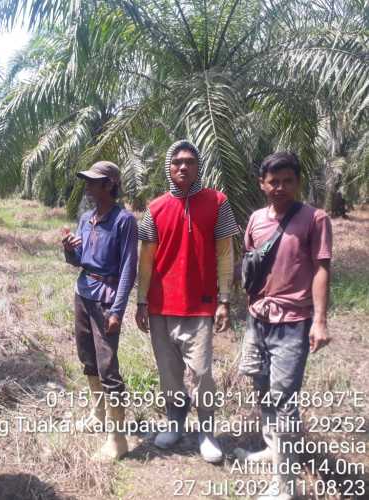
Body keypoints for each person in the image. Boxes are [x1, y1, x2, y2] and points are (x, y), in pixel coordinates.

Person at [234, 152, 332, 500]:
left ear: (297, 182)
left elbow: (321, 269)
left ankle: (286, 484)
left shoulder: (314, 218)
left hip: (294, 323)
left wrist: (319, 321)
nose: (280, 187)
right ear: (262, 184)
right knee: (261, 388)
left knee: (284, 401)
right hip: (258, 319)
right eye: (273, 181)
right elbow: (251, 262)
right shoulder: (256, 218)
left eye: (287, 181)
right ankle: (272, 447)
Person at [134, 140, 239, 463]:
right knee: (169, 373)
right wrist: (140, 302)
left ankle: (207, 432)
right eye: (177, 161)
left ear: (198, 166)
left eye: (190, 161)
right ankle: (175, 423)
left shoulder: (217, 202)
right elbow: (146, 261)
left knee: (203, 373)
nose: (183, 167)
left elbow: (225, 254)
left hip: (200, 305)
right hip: (161, 305)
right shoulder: (155, 208)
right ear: (169, 166)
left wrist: (224, 300)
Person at [62, 161, 138, 461]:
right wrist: (68, 248)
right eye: (88, 182)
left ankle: (117, 440)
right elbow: (77, 261)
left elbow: (129, 270)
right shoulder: (86, 218)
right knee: (88, 358)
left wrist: (117, 310)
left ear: (110, 185)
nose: (88, 186)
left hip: (106, 299)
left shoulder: (124, 221)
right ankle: (99, 413)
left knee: (108, 366)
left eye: (94, 182)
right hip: (83, 292)